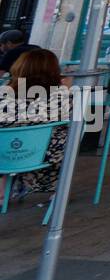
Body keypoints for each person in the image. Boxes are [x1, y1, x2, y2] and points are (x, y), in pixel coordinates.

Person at [0, 49, 68, 207]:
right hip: (46, 159)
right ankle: (60, 190)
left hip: (5, 158)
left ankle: (3, 191)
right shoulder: (62, 99)